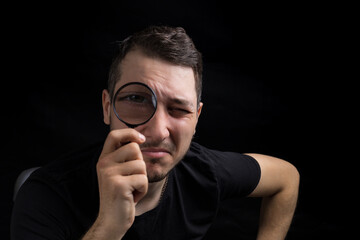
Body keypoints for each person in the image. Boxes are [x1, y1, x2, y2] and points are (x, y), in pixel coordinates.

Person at [11, 25, 300, 240]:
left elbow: (286, 178)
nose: (159, 130)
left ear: (196, 118)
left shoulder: (205, 171)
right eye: (137, 99)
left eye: (179, 109)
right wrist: (109, 227)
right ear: (107, 106)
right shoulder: (45, 196)